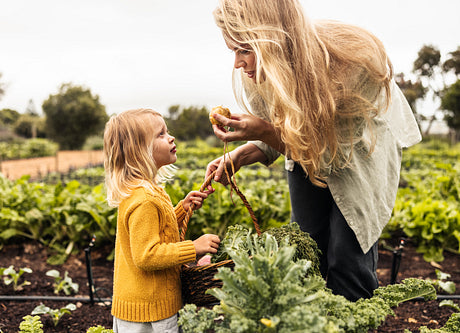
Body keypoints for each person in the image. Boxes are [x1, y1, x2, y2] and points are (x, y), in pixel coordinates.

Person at [205, 0, 422, 301]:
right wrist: (242, 153)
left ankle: (354, 317)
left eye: (244, 49)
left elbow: (324, 154)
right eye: (234, 51)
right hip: (306, 150)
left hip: (358, 150)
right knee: (306, 247)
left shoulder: (351, 67)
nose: (238, 64)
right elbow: (286, 129)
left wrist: (264, 131)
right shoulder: (262, 73)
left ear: (272, 41)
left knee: (346, 255)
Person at [104, 108, 220, 332]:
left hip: (147, 307)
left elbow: (155, 230)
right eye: (161, 134)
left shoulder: (147, 191)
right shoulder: (144, 199)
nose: (171, 137)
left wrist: (180, 210)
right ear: (139, 151)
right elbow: (147, 256)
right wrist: (193, 248)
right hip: (149, 313)